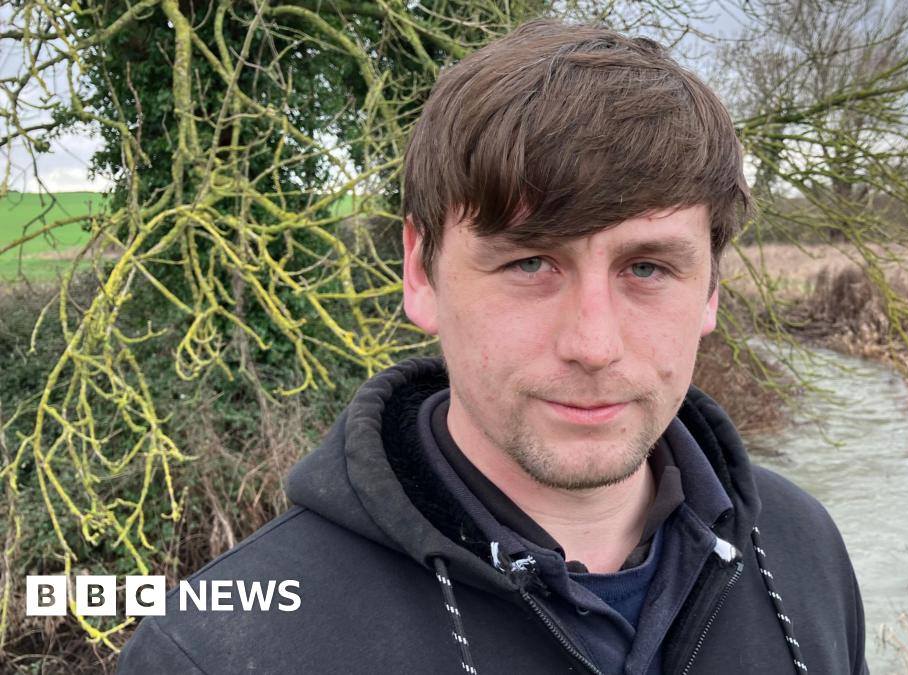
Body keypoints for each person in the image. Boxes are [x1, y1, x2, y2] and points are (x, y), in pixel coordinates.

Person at [118, 18, 867, 675]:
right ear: (421, 273)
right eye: (530, 263)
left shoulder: (801, 547)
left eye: (647, 268)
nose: (593, 344)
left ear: (710, 290)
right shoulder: (215, 651)